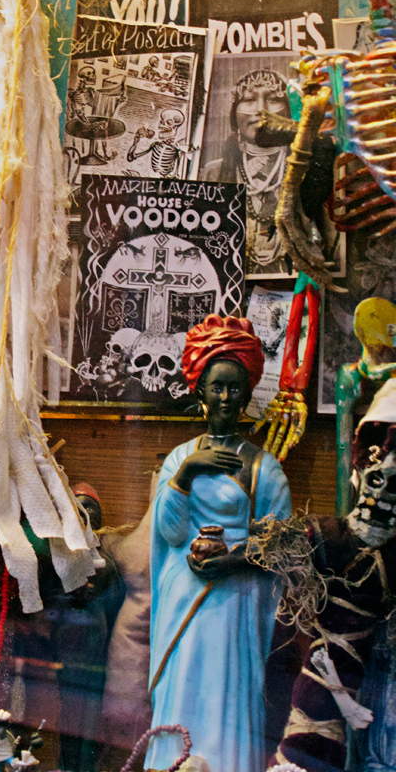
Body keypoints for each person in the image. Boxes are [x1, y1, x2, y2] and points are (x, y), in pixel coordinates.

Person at [146, 314, 291, 772]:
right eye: (216, 388)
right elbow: (169, 533)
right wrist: (187, 474)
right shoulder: (179, 458)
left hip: (235, 600)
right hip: (183, 596)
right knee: (183, 686)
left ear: (247, 394)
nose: (225, 398)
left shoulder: (263, 468)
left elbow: (281, 544)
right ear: (200, 393)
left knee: (226, 691)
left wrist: (234, 560)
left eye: (234, 388)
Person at [200, 69, 291, 274]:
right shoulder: (211, 175)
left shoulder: (306, 172)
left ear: (288, 111)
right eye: (249, 99)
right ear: (235, 114)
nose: (261, 109)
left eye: (273, 99)